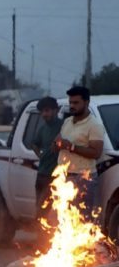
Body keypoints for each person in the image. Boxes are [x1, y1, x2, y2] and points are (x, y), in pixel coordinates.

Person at [52, 86, 105, 220]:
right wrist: (56, 144)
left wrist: (71, 147)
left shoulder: (94, 125)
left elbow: (96, 152)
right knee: (64, 218)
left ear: (86, 102)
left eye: (76, 103)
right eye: (70, 103)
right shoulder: (67, 122)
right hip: (64, 176)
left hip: (83, 178)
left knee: (81, 220)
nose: (72, 106)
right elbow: (57, 142)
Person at [30, 97, 62, 221]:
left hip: (56, 176)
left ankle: (46, 237)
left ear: (56, 110)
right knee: (40, 209)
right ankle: (40, 237)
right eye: (42, 112)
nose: (44, 114)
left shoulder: (63, 126)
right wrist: (41, 155)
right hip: (42, 175)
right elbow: (34, 144)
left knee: (51, 211)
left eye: (47, 111)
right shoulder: (43, 128)